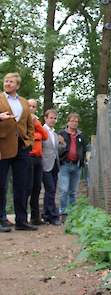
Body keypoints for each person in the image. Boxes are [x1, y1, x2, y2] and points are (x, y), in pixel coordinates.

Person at [0, 72, 37, 231]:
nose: (7, 83)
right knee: (1, 185)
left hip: (22, 148)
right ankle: (1, 220)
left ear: (17, 85)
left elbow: (29, 125)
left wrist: (29, 141)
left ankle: (21, 221)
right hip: (2, 146)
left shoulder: (23, 102)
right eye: (6, 81)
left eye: (11, 82)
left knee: (22, 185)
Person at [58, 113, 87, 222]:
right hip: (64, 165)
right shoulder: (61, 134)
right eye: (72, 121)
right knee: (64, 190)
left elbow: (84, 149)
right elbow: (58, 149)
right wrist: (60, 144)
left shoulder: (81, 136)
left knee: (73, 191)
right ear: (68, 122)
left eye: (76, 121)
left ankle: (73, 213)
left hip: (77, 166)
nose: (74, 123)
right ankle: (63, 212)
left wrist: (85, 159)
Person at [26, 99, 48, 225]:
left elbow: (45, 136)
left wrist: (37, 124)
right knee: (27, 187)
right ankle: (23, 217)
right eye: (29, 106)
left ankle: (35, 217)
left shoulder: (36, 121)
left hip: (38, 159)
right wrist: (36, 136)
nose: (31, 108)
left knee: (37, 187)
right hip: (28, 157)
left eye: (34, 106)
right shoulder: (22, 120)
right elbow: (25, 137)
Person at [42, 109, 64, 225]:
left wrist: (62, 143)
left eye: (55, 118)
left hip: (55, 164)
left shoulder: (55, 134)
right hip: (45, 165)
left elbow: (58, 150)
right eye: (51, 118)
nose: (53, 120)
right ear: (45, 118)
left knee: (51, 190)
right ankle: (53, 216)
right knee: (50, 189)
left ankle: (46, 215)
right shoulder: (41, 131)